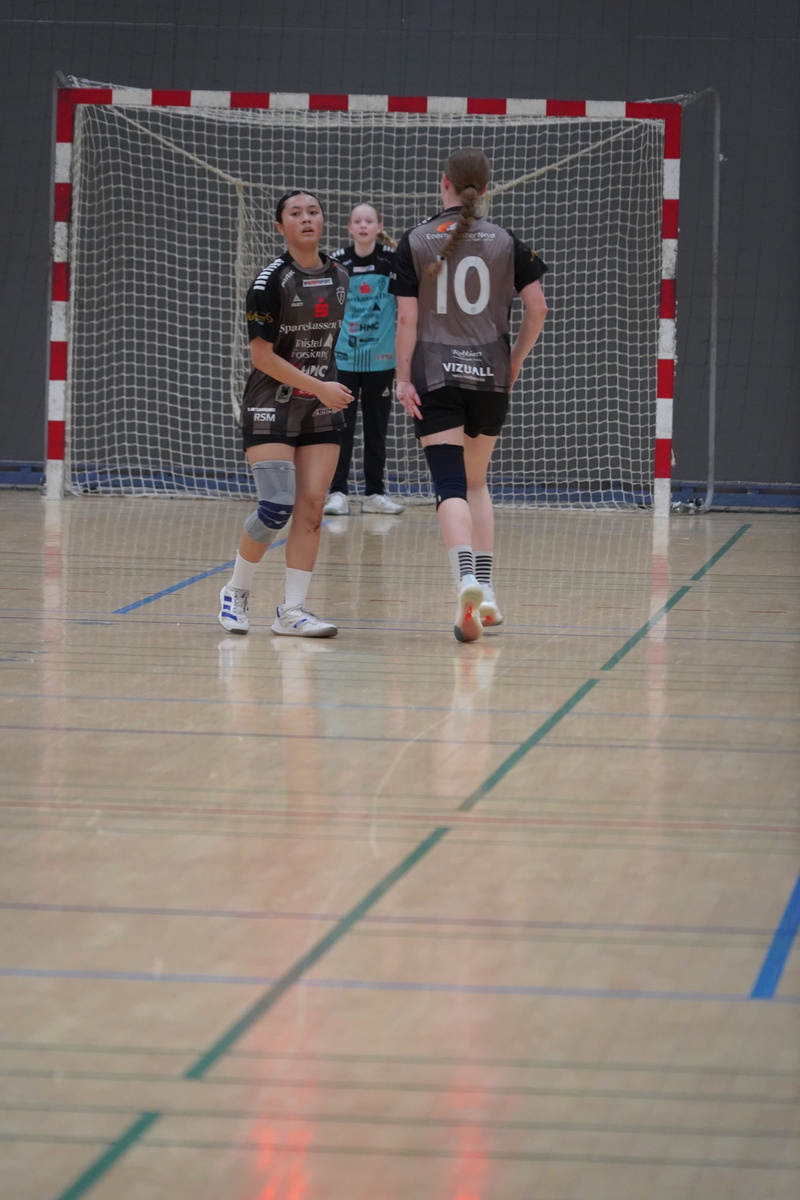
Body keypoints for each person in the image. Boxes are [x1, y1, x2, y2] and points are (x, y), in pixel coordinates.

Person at [391, 147, 549, 642]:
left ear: (444, 183)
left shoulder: (415, 240)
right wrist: (515, 360)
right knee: (477, 483)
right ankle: (488, 591)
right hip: (491, 376)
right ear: (485, 188)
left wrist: (402, 378)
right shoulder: (506, 240)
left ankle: (465, 581)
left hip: (436, 375)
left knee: (450, 484)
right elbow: (538, 309)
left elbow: (407, 318)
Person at [218, 190, 352, 638]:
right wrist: (320, 387)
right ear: (281, 227)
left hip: (320, 404)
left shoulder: (340, 275)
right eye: (296, 213)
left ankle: (292, 611)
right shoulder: (268, 283)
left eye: (313, 211)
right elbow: (262, 357)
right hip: (270, 402)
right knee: (276, 504)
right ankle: (236, 590)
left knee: (311, 508)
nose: (306, 218)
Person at [323, 203, 404, 516]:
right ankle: (337, 493)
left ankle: (374, 494)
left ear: (378, 226)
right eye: (357, 221)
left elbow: (408, 304)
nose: (363, 225)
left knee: (376, 429)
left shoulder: (391, 261)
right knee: (341, 428)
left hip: (380, 361)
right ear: (349, 227)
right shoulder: (337, 263)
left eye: (369, 221)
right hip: (344, 360)